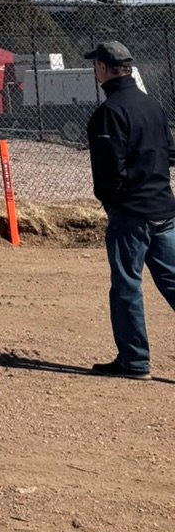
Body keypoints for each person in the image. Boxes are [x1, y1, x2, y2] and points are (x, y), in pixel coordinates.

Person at [85, 37, 175, 379]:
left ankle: (134, 361)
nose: (95, 70)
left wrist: (113, 201)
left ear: (106, 69)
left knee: (126, 285)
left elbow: (109, 170)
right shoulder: (151, 106)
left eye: (96, 64)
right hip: (164, 210)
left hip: (131, 215)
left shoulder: (109, 113)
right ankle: (133, 360)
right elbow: (170, 152)